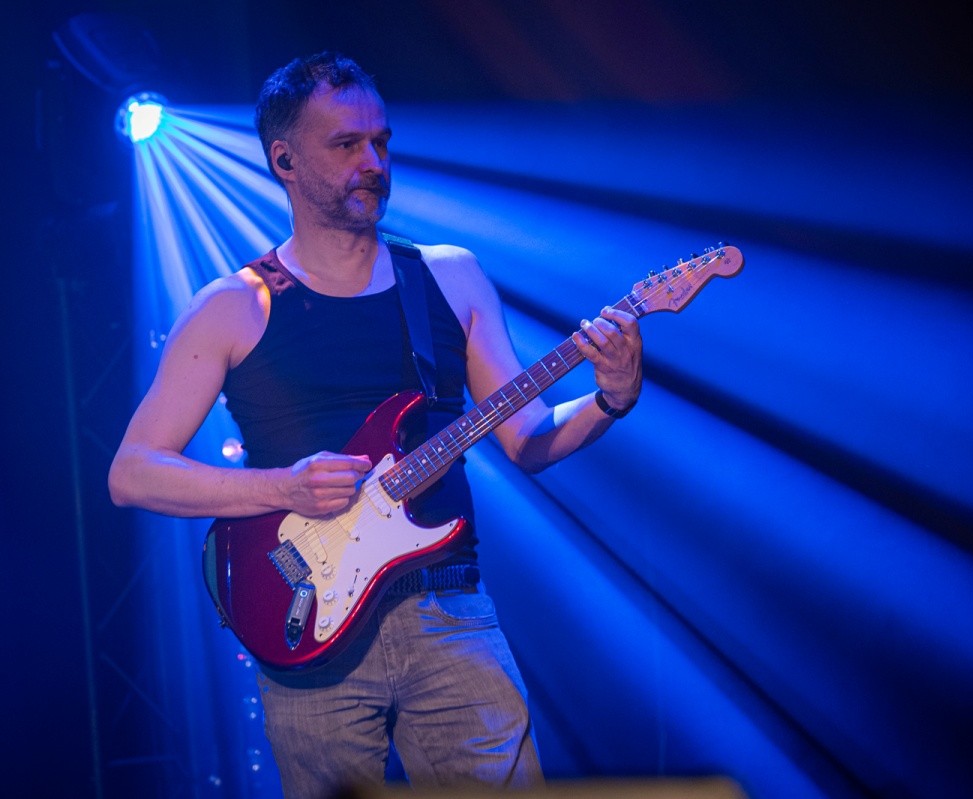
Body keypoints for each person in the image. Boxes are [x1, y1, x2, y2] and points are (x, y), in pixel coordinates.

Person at [108, 52, 642, 798]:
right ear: (284, 160)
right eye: (346, 144)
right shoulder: (233, 305)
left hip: (450, 609)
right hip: (309, 627)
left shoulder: (448, 276)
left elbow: (525, 439)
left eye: (381, 142)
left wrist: (610, 398)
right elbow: (133, 472)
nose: (373, 162)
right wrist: (282, 487)